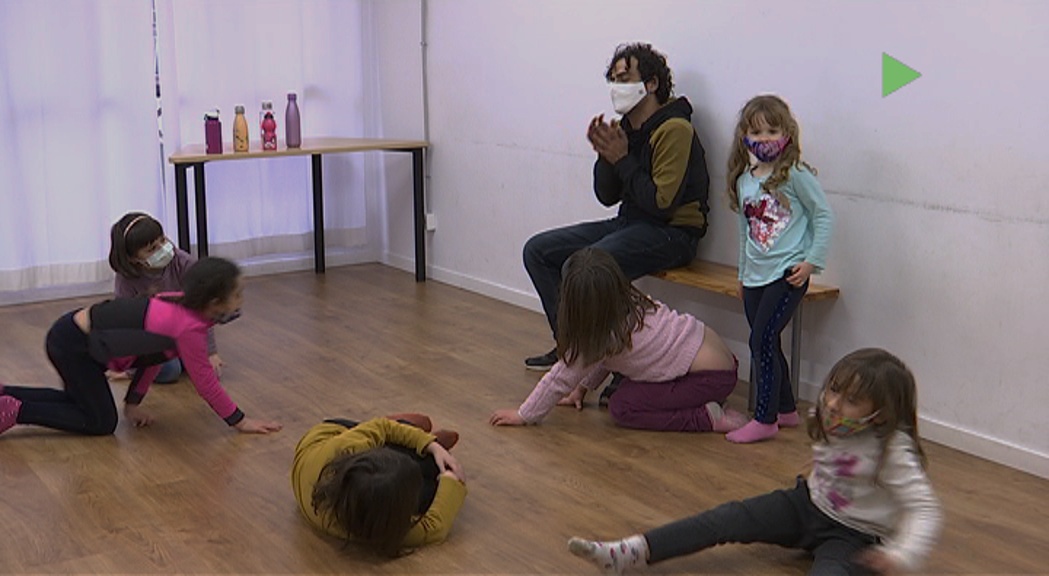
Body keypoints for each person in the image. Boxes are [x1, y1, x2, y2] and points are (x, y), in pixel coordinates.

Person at [568, 348, 943, 575]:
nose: (833, 403)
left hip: (853, 536)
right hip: (806, 505)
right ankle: (630, 553)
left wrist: (902, 555)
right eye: (834, 389)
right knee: (726, 518)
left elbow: (924, 509)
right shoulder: (829, 418)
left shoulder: (893, 450)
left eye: (851, 400)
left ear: (880, 414)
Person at [522, 42, 710, 371]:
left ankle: (621, 362)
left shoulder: (675, 128)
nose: (616, 87)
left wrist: (622, 159)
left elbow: (662, 204)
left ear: (651, 83)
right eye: (613, 80)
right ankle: (572, 350)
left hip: (673, 233)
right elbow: (607, 196)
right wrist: (605, 157)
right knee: (538, 251)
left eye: (624, 78)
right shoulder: (625, 129)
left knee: (584, 266)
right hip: (631, 223)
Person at [0, 257, 281, 437]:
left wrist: (132, 404)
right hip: (74, 346)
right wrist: (240, 421)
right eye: (237, 294)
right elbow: (206, 384)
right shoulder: (189, 328)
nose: (241, 300)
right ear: (214, 303)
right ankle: (16, 411)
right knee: (100, 422)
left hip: (72, 338)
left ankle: (6, 393)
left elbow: (152, 356)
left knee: (81, 403)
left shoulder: (183, 306)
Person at [491, 248, 746, 433]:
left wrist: (524, 415)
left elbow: (559, 378)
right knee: (630, 388)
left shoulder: (603, 334)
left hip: (709, 379)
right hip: (722, 365)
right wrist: (581, 389)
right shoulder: (630, 305)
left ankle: (707, 417)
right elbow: (603, 358)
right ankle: (705, 401)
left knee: (622, 407)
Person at [724, 94, 834, 443]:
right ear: (744, 136)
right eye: (757, 132)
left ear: (787, 134)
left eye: (773, 131)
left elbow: (823, 215)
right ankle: (786, 409)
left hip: (787, 274)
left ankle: (765, 418)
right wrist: (742, 275)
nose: (765, 139)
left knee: (761, 341)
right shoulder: (744, 180)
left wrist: (811, 262)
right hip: (755, 277)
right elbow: (744, 232)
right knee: (767, 342)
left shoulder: (795, 174)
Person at [291, 414, 467, 557]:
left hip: (330, 434)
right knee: (434, 479)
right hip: (356, 470)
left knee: (426, 455)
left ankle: (410, 434)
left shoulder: (346, 447)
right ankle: (410, 437)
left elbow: (381, 427)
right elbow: (434, 528)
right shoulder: (382, 529)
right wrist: (452, 480)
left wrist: (431, 445)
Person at [107, 211, 221, 383]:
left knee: (199, 364)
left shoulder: (183, 262)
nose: (162, 248)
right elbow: (126, 324)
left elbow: (204, 306)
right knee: (170, 371)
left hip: (182, 330)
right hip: (149, 336)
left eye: (163, 240)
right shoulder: (126, 279)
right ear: (132, 258)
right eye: (152, 249)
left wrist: (211, 352)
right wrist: (130, 368)